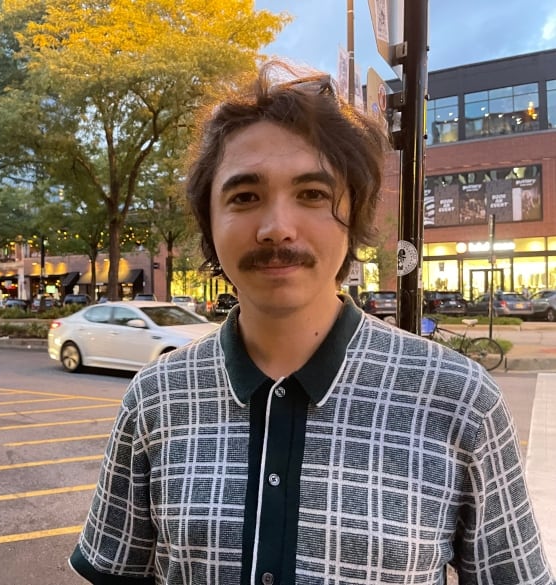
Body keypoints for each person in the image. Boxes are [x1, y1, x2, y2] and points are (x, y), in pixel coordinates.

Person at [69, 60, 555, 584]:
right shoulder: (155, 398)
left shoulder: (460, 400)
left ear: (357, 215)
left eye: (313, 195)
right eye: (245, 197)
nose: (277, 228)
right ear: (210, 221)